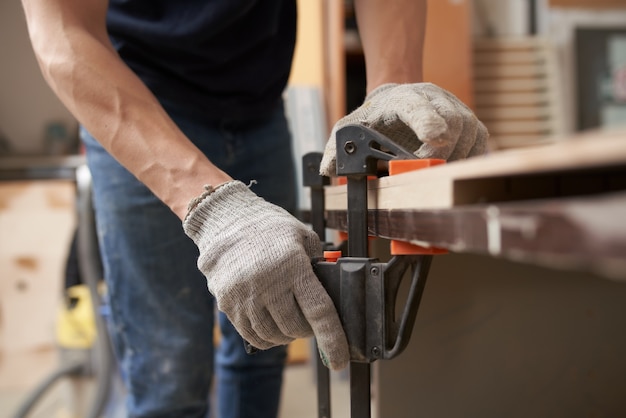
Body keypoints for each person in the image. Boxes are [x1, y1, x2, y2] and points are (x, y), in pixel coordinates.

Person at [20, 0, 488, 417]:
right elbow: (63, 33)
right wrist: (212, 206)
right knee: (171, 371)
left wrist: (392, 82)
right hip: (136, 99)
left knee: (267, 340)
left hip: (258, 105)